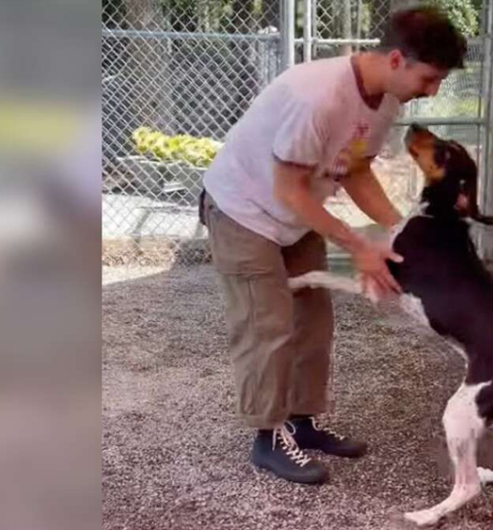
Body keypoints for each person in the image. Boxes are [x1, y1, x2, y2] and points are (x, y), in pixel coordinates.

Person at [200, 6, 467, 485]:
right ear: (396, 59)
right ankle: (267, 438)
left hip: (291, 217)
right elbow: (290, 189)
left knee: (314, 321)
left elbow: (356, 169)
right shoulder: (317, 96)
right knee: (269, 325)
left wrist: (400, 228)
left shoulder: (386, 102)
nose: (433, 91)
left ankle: (301, 425)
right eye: (429, 78)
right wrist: (359, 246)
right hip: (242, 210)